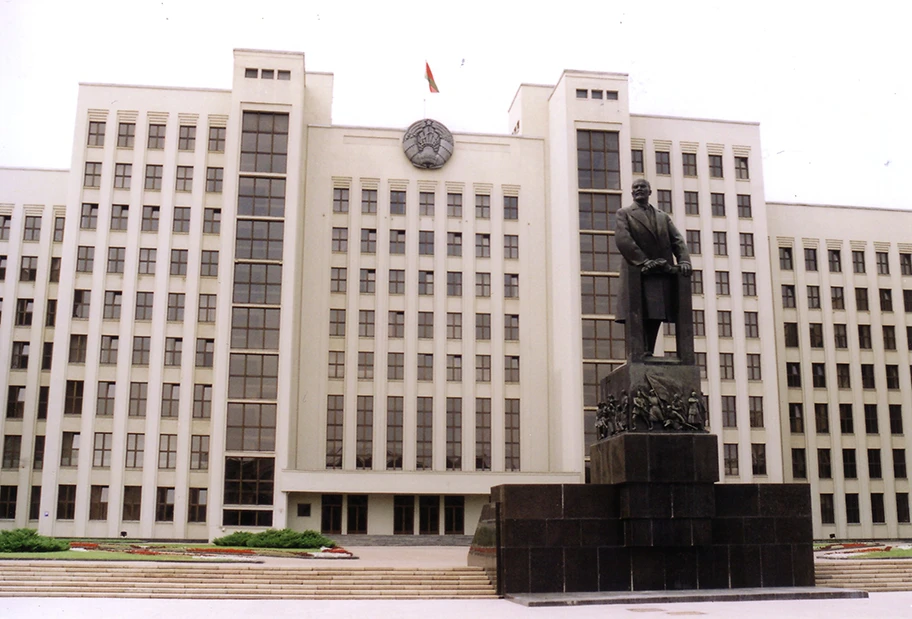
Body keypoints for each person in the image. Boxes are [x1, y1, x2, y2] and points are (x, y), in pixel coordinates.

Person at [614, 179, 692, 355]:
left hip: (659, 273)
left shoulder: (662, 217)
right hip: (636, 271)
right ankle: (637, 351)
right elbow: (623, 239)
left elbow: (677, 240)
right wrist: (643, 261)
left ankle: (648, 349)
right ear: (631, 192)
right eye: (635, 187)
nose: (639, 189)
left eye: (643, 187)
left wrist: (684, 260)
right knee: (635, 313)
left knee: (655, 311)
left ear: (650, 191)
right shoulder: (624, 213)